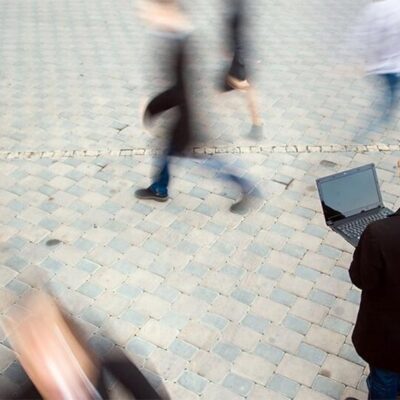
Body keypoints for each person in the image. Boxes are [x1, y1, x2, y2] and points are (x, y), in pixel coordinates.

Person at [135, 0, 260, 214]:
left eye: (148, 8)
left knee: (205, 160)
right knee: (166, 151)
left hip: (187, 118)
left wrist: (151, 109)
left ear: (165, 10)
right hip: (184, 115)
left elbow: (178, 90)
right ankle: (159, 188)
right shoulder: (177, 35)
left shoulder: (177, 42)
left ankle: (245, 186)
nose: (142, 12)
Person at [1, 291, 165, 399]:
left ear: (78, 344)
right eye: (34, 354)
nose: (49, 364)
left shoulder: (119, 369)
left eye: (58, 347)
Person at [347, 209, 400, 400]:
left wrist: (366, 249)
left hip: (389, 339)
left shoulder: (379, 233)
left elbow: (361, 279)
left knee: (385, 379)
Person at [351, 0, 400, 129]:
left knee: (389, 88)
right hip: (393, 65)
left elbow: (361, 35)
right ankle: (387, 108)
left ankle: (386, 107)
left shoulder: (374, 9)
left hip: (379, 65)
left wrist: (358, 57)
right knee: (392, 88)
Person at [220, 0, 263, 139]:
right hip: (244, 53)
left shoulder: (234, 7)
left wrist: (228, 50)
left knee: (228, 85)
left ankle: (226, 130)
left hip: (239, 56)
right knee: (245, 86)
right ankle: (257, 125)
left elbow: (234, 32)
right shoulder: (239, 4)